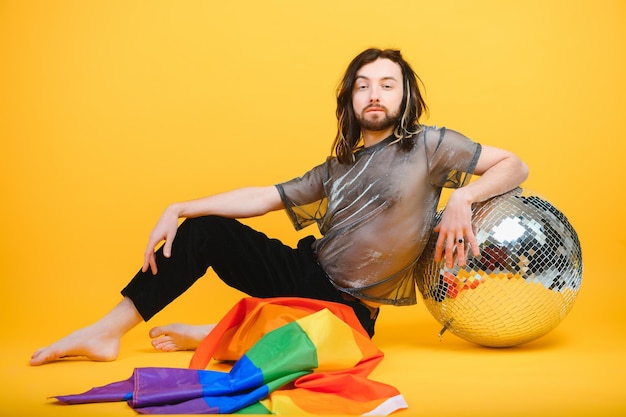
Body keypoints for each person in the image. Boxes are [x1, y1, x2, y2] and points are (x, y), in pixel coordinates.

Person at [30, 48, 528, 366]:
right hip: (306, 270)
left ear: (406, 95)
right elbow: (263, 197)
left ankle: (223, 335)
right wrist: (179, 207)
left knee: (335, 348)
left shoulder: (431, 145)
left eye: (387, 84)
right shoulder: (336, 165)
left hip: (349, 308)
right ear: (350, 100)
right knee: (206, 230)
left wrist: (463, 195)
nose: (374, 94)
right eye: (363, 85)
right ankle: (105, 332)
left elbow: (514, 166)